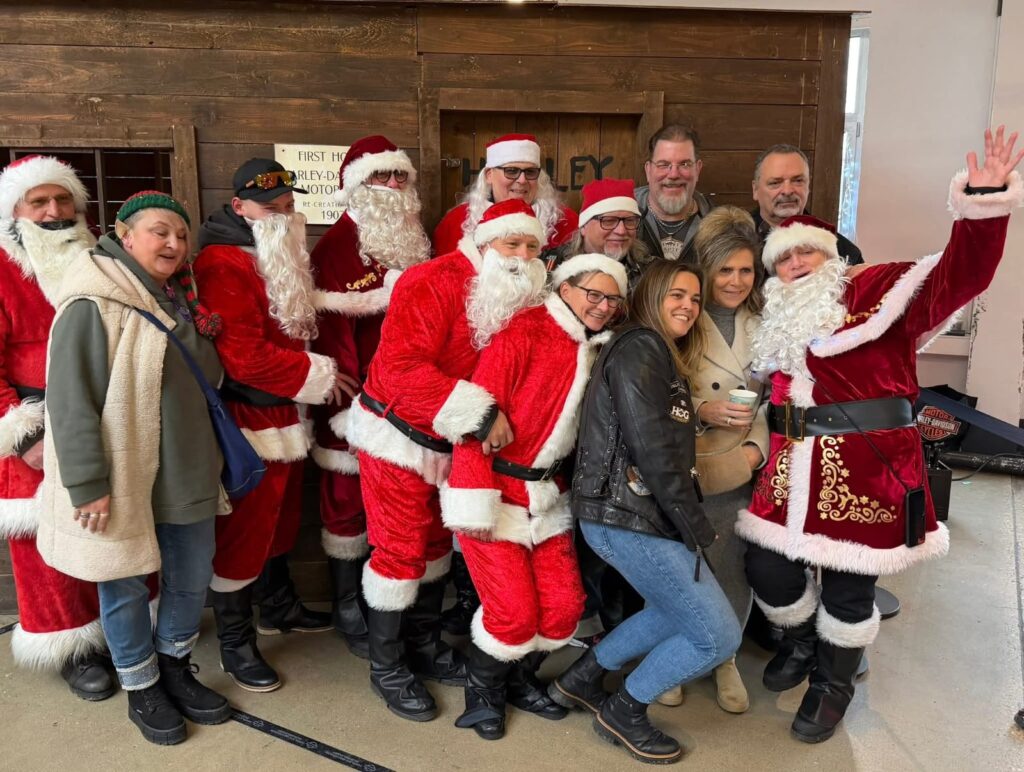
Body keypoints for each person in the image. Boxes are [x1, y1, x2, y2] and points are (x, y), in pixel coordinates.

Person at [736, 127, 1023, 744]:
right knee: (766, 563)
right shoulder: (779, 319)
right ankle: (802, 641)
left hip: (866, 469)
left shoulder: (879, 293)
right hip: (790, 469)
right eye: (783, 258)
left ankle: (833, 684)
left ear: (830, 256)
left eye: (806, 253)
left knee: (848, 582)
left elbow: (960, 275)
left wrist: (983, 204)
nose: (795, 264)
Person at [345, 199, 549, 722]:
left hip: (451, 444)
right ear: (484, 242)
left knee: (437, 546)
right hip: (397, 435)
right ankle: (387, 666)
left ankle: (425, 645)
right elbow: (398, 368)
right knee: (399, 551)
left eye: (532, 246)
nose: (523, 256)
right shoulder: (431, 280)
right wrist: (481, 413)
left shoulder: (521, 293)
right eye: (512, 244)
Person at [38, 191, 230, 745]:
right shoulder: (91, 302)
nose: (174, 243)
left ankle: (174, 665)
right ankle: (141, 685)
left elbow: (210, 373)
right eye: (159, 231)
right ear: (124, 235)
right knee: (122, 584)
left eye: (181, 235)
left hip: (189, 470)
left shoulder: (177, 298)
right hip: (123, 475)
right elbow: (70, 400)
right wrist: (87, 484)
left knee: (191, 577)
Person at [549, 259, 743, 765]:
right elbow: (652, 448)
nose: (689, 306)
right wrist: (694, 525)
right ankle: (625, 709)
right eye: (677, 294)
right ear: (651, 296)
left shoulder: (650, 349)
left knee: (669, 611)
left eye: (695, 299)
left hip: (624, 512)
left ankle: (581, 679)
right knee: (719, 636)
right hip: (629, 513)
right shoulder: (642, 347)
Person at [442, 253, 628, 741]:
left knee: (564, 607)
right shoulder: (525, 331)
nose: (603, 306)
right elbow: (474, 420)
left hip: (547, 496)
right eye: (594, 294)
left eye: (613, 299)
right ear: (565, 289)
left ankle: (520, 679)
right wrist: (474, 498)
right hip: (495, 491)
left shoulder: (597, 347)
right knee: (512, 612)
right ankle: (482, 694)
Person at [193, 159, 348, 692]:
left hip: (285, 411)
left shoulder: (274, 250)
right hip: (249, 417)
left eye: (288, 206)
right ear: (239, 207)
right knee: (244, 530)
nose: (283, 216)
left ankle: (277, 606)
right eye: (269, 208)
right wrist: (319, 375)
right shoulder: (222, 262)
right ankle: (235, 642)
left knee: (278, 522)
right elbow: (243, 358)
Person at [310, 135, 431, 658]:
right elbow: (332, 336)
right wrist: (347, 411)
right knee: (346, 501)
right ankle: (346, 604)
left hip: (409, 403)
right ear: (357, 184)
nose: (393, 184)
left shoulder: (415, 237)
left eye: (400, 175)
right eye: (382, 175)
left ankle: (391, 606)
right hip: (358, 404)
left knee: (402, 506)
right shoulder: (335, 247)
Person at [0, 155, 114, 701]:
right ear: (15, 211)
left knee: (109, 527)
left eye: (63, 199)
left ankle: (121, 631)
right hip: (35, 423)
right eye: (39, 202)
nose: (54, 211)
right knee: (45, 546)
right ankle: (72, 645)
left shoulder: (100, 257)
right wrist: (24, 436)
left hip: (105, 417)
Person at [657, 207, 768, 713]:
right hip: (686, 455)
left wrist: (755, 450)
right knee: (677, 564)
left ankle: (725, 657)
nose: (736, 281)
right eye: (725, 270)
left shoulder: (764, 323)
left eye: (745, 270)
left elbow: (776, 397)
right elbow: (654, 387)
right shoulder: (681, 315)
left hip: (737, 460)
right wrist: (702, 408)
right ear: (705, 269)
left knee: (730, 563)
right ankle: (673, 653)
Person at [432, 133, 578, 255]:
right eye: (511, 171)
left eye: (530, 172)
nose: (522, 180)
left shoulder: (564, 222)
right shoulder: (456, 222)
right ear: (489, 175)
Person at [750, 144, 862, 265]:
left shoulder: (844, 253)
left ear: (808, 186)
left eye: (798, 181)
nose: (787, 191)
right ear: (755, 190)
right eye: (775, 183)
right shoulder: (735, 238)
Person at [545, 178, 651, 291]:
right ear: (584, 226)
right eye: (609, 221)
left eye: (630, 221)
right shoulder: (550, 266)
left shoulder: (650, 271)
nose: (621, 231)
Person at [635, 125, 713, 263]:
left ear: (697, 169)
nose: (673, 174)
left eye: (684, 164)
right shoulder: (621, 219)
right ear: (648, 170)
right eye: (663, 164)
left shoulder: (719, 226)